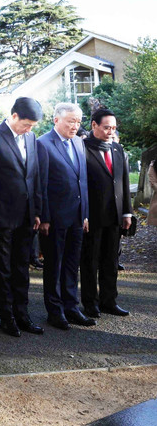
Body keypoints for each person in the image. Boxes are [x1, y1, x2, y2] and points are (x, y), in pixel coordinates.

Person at [0, 98, 46, 337]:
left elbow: (35, 176)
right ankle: (6, 318)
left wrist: (37, 211)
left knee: (22, 268)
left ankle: (23, 315)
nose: (29, 129)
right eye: (26, 124)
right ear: (14, 116)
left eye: (32, 126)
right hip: (2, 217)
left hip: (27, 216)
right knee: (3, 270)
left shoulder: (30, 138)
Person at [36, 102, 94, 330]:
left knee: (71, 264)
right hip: (54, 219)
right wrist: (44, 217)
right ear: (56, 120)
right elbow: (41, 184)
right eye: (71, 121)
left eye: (78, 122)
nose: (75, 126)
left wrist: (85, 214)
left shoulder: (79, 142)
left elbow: (82, 181)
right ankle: (55, 311)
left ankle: (71, 307)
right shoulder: (43, 144)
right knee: (54, 266)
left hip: (77, 217)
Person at [80, 108, 132, 318]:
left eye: (114, 128)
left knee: (111, 262)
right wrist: (83, 214)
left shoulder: (117, 149)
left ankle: (109, 301)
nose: (111, 132)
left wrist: (127, 213)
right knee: (90, 262)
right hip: (92, 217)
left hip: (115, 216)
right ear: (94, 125)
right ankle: (90, 303)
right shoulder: (82, 148)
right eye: (107, 127)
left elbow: (124, 182)